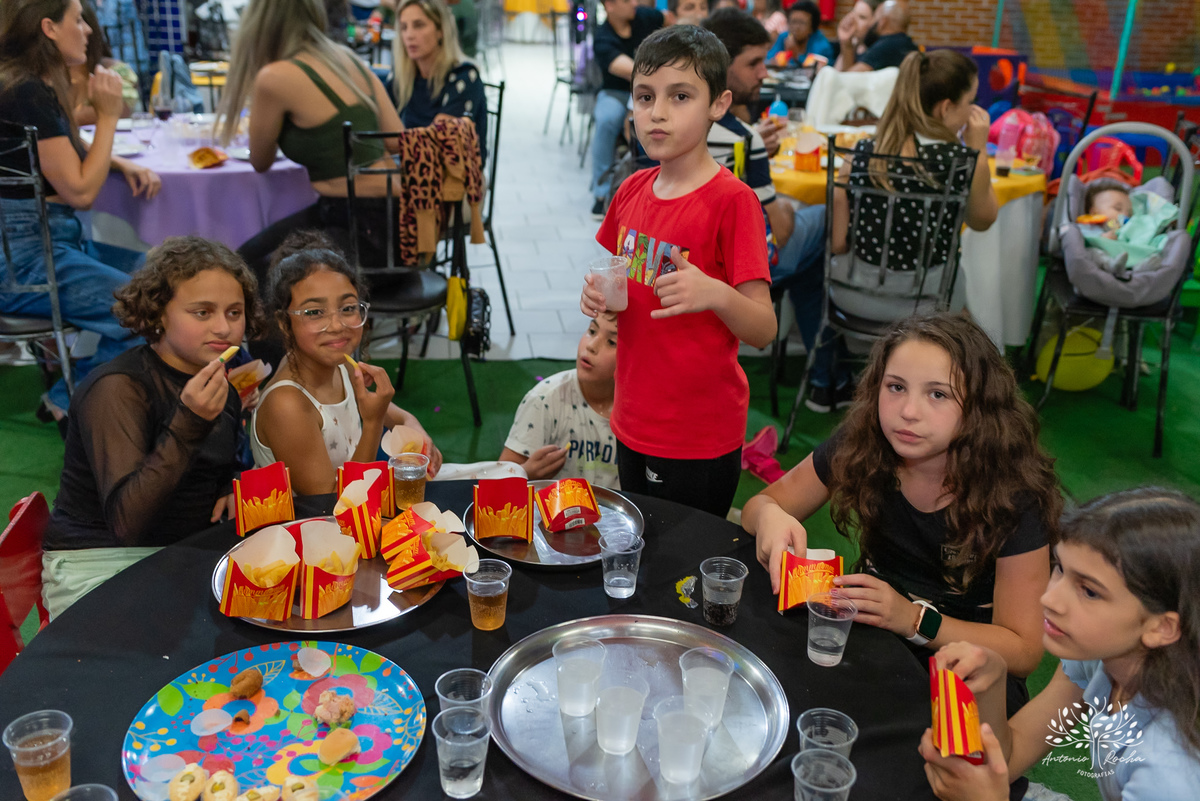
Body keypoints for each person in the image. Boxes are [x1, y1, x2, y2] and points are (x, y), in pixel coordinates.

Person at [742, 313, 1061, 714]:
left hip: (968, 662)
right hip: (874, 626)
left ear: (980, 405)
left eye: (938, 395)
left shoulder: (1016, 496)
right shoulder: (863, 443)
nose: (908, 411)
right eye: (895, 387)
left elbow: (1023, 650)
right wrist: (772, 516)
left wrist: (913, 620)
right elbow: (760, 505)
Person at [580, 25, 776, 517]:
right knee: (640, 550)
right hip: (633, 418)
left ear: (719, 103)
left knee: (685, 569)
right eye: (645, 97)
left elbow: (764, 329)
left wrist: (715, 293)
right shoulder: (630, 190)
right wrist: (596, 296)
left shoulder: (734, 202)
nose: (658, 112)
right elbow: (618, 280)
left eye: (680, 95)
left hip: (698, 435)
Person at [919, 488, 1200, 801]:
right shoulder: (1103, 658)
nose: (1049, 599)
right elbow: (1011, 758)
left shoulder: (1168, 772)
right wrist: (993, 684)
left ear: (1162, 627)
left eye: (1090, 592)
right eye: (1060, 569)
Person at [41, 236, 258, 619]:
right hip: (100, 564)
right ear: (158, 314)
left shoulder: (215, 380)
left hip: (184, 552)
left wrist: (228, 482)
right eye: (202, 312)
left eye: (234, 312)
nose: (224, 327)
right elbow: (127, 524)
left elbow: (217, 461)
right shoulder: (117, 388)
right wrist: (189, 422)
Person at [799, 48, 997, 412]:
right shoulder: (960, 163)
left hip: (852, 298)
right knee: (963, 294)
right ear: (945, 108)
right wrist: (978, 151)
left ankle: (829, 380)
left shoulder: (862, 152)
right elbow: (985, 221)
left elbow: (839, 243)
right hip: (926, 304)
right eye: (971, 102)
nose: (974, 112)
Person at [0, 0, 161, 419]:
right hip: (27, 259)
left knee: (166, 279)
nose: (89, 30)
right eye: (79, 20)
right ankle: (68, 401)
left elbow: (56, 154)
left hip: (39, 246)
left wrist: (118, 161)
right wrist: (107, 116)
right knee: (152, 311)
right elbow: (80, 192)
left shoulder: (21, 83)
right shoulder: (27, 90)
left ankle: (76, 398)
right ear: (49, 28)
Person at [220, 0, 404, 282]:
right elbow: (397, 142)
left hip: (358, 236)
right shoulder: (348, 60)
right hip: (401, 231)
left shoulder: (274, 77)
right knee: (246, 260)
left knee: (244, 270)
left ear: (260, 21)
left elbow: (260, 160)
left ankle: (301, 325)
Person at [251, 241, 441, 495]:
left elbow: (393, 415)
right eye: (315, 312)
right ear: (285, 323)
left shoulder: (340, 365)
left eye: (348, 308)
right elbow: (333, 503)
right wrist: (372, 424)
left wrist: (413, 425)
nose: (337, 325)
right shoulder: (286, 405)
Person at [699, 10, 791, 282]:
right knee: (818, 221)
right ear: (721, 66)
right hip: (735, 269)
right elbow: (780, 232)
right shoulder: (747, 138)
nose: (764, 73)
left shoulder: (682, 123)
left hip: (695, 260)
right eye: (754, 63)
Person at [500, 314, 620, 488]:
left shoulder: (641, 408)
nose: (591, 346)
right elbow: (501, 478)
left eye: (611, 342)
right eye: (592, 331)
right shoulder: (544, 399)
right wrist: (527, 472)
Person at [589, 0, 665, 219]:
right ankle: (601, 193)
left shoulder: (645, 17)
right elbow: (630, 71)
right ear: (610, 6)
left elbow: (672, 21)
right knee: (607, 119)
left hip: (652, 90)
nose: (633, 2)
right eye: (626, 0)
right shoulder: (603, 37)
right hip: (618, 92)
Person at [392, 0, 486, 157]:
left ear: (440, 30)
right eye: (403, 27)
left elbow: (436, 143)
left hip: (451, 176)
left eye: (419, 25)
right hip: (410, 167)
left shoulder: (464, 77)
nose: (409, 35)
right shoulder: (404, 77)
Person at [70, 1, 138, 126]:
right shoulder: (44, 77)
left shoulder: (112, 71)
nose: (87, 29)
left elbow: (122, 110)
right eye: (78, 22)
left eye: (81, 21)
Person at [836, 0, 917, 72]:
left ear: (882, 22)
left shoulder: (887, 46)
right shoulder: (907, 43)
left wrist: (846, 45)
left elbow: (848, 78)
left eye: (875, 17)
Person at [765, 1, 834, 67]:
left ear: (812, 26)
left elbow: (819, 70)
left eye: (801, 23)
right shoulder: (784, 37)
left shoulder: (821, 45)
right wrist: (775, 60)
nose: (796, 27)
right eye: (793, 22)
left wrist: (797, 56)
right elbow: (768, 59)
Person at [828, 0, 878, 70]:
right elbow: (837, 74)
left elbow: (849, 78)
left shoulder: (875, 50)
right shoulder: (854, 42)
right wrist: (845, 41)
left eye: (862, 17)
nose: (854, 20)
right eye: (853, 14)